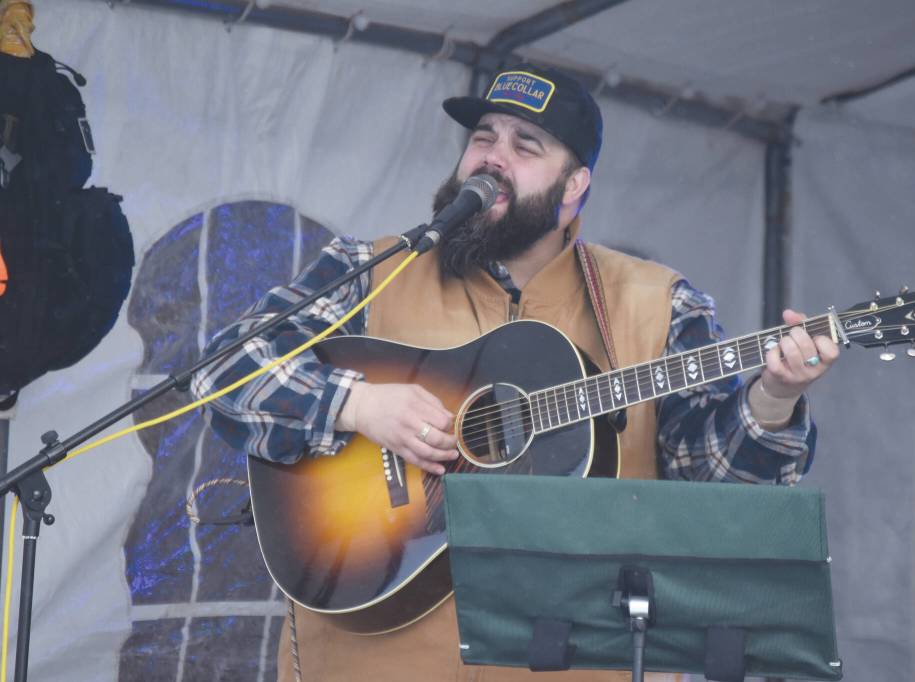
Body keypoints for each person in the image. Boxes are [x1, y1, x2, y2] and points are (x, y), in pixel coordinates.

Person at [192, 63, 839, 682]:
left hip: (573, 666)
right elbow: (223, 371)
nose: (492, 158)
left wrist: (775, 396)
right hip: (369, 661)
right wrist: (353, 406)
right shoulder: (375, 268)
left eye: (526, 145)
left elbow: (713, 482)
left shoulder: (657, 303)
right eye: (482, 137)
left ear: (575, 185)